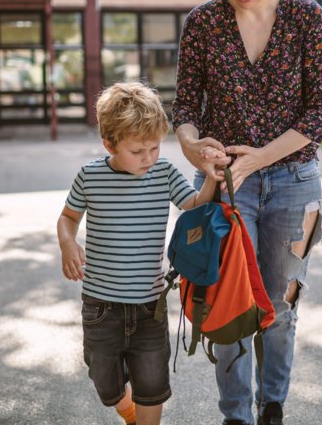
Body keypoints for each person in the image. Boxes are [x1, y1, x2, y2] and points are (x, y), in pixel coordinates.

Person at [171, 0, 322, 424]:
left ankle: (272, 407)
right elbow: (185, 109)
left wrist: (261, 157)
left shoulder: (307, 19)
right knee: (229, 305)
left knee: (279, 306)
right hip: (227, 184)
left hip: (293, 182)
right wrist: (193, 147)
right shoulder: (202, 23)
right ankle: (235, 415)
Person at [57, 82, 218, 425]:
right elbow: (68, 218)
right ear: (109, 144)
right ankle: (125, 409)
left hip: (149, 307)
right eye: (138, 151)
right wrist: (68, 243)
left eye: (155, 147)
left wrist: (211, 179)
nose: (148, 158)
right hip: (101, 307)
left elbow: (193, 206)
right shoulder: (90, 176)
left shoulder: (164, 173)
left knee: (152, 383)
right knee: (105, 382)